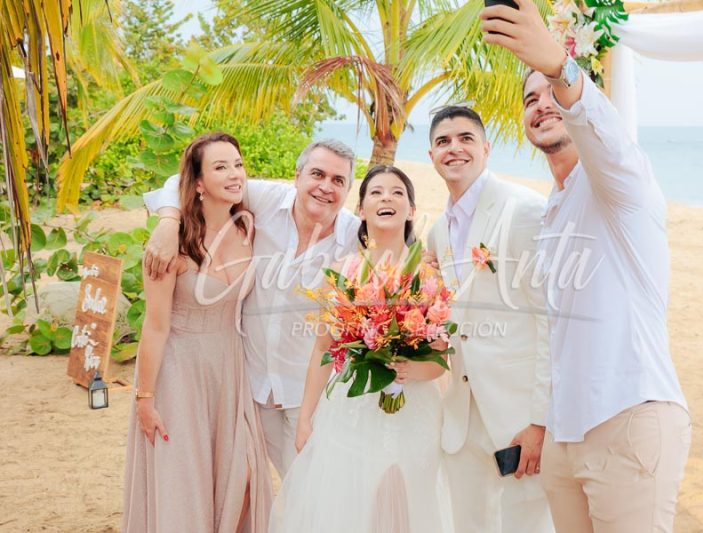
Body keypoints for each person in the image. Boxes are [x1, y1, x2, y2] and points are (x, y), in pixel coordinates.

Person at [480, 1, 692, 531]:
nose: (542, 104)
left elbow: (606, 138)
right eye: (530, 99)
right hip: (564, 439)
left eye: (552, 94)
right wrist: (542, 424)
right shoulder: (553, 207)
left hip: (628, 417)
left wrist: (559, 67)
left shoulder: (621, 184)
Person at [142, 139, 361, 478]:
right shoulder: (264, 201)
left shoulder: (354, 236)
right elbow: (183, 179)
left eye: (338, 181)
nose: (325, 187)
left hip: (310, 394)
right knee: (250, 485)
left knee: (312, 488)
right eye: (317, 174)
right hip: (251, 387)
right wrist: (169, 221)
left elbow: (401, 237)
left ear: (348, 190)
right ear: (297, 175)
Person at [270, 165, 449, 533]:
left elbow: (442, 356)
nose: (387, 198)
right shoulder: (343, 271)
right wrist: (306, 417)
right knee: (350, 505)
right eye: (377, 192)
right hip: (351, 409)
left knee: (405, 504)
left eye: (398, 192)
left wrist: (413, 371)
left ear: (411, 210)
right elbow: (324, 348)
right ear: (362, 210)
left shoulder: (429, 276)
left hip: (412, 413)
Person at [122, 132, 271, 532]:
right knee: (183, 482)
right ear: (199, 183)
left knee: (240, 479)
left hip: (229, 366)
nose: (235, 174)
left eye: (238, 164)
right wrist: (145, 398)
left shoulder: (249, 227)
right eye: (220, 167)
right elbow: (155, 327)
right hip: (179, 370)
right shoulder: (171, 245)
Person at [426, 106, 554, 532]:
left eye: (465, 138)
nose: (454, 148)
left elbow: (548, 320)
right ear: (431, 156)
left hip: (517, 418)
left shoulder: (522, 209)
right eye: (443, 141)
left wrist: (540, 421)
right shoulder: (437, 233)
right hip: (461, 420)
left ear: (486, 147)